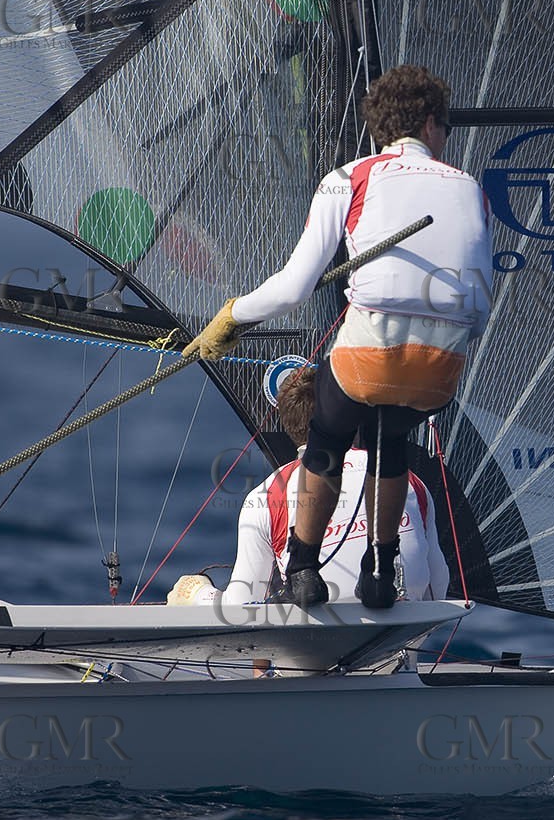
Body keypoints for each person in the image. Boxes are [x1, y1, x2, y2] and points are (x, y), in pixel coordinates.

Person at [184, 65, 490, 608]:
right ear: (428, 122)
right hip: (444, 371)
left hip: (369, 360)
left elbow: (294, 288)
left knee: (327, 435)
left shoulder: (349, 177)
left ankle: (303, 566)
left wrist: (231, 318)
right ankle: (381, 567)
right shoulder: (470, 188)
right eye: (444, 126)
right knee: (390, 441)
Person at [222, 365, 449, 606]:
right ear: (347, 416)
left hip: (317, 633)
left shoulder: (267, 495)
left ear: (288, 425)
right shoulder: (405, 480)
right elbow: (437, 586)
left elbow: (241, 606)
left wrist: (197, 592)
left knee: (189, 590)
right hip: (401, 622)